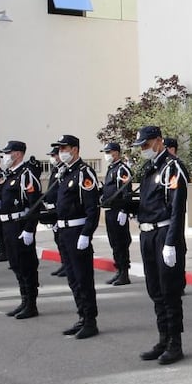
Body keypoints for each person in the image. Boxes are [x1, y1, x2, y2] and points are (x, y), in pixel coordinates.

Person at [131, 126, 188, 364]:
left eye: (145, 145)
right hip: (147, 235)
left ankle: (175, 343)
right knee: (155, 290)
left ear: (158, 141)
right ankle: (163, 338)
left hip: (164, 234)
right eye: (140, 146)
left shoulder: (172, 167)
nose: (143, 149)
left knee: (169, 291)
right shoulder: (150, 168)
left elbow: (177, 209)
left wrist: (171, 242)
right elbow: (147, 203)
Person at [51, 134, 101, 339]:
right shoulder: (64, 173)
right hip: (64, 232)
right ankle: (82, 316)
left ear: (75, 150)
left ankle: (90, 321)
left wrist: (86, 233)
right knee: (72, 278)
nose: (61, 152)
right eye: (60, 149)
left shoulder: (84, 173)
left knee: (83, 278)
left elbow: (93, 208)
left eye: (65, 148)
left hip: (77, 232)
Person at [0, 140, 44, 320]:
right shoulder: (10, 174)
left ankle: (31, 304)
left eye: (7, 153)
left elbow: (34, 205)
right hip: (8, 225)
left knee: (26, 265)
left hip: (19, 225)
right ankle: (24, 300)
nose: (5, 157)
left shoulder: (27, 175)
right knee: (16, 264)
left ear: (17, 154)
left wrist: (29, 229)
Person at [101, 140, 134, 286]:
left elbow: (127, 192)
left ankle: (124, 274)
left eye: (108, 152)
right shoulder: (111, 168)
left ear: (116, 152)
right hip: (109, 211)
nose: (107, 155)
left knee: (121, 243)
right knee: (114, 243)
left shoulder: (122, 169)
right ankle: (118, 271)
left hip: (118, 211)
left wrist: (124, 210)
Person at [44, 146, 69, 279]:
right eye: (52, 156)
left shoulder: (64, 170)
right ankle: (63, 262)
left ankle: (67, 263)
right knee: (57, 238)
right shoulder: (55, 170)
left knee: (62, 239)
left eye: (55, 155)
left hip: (60, 209)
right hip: (52, 209)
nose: (53, 158)